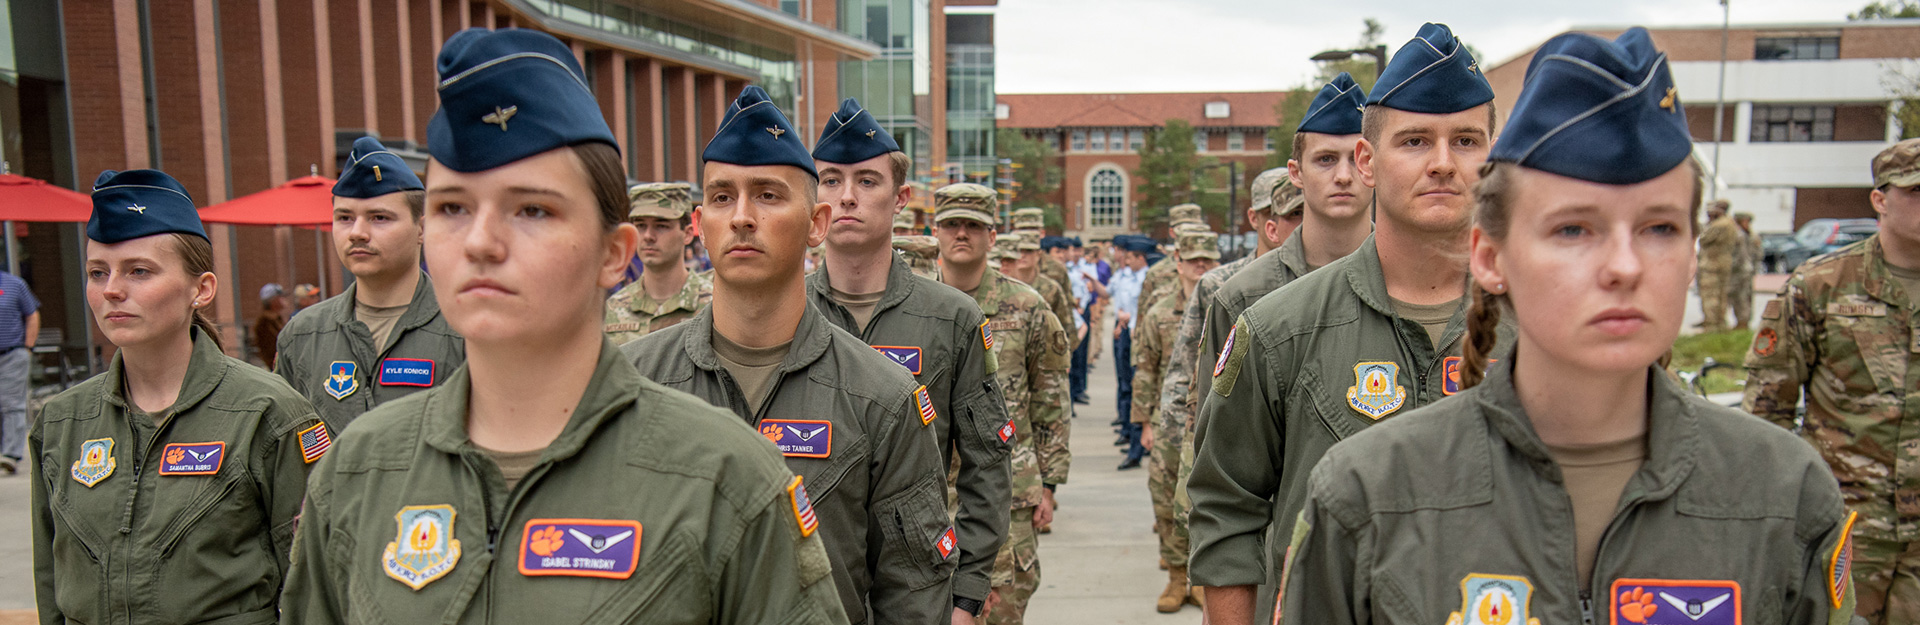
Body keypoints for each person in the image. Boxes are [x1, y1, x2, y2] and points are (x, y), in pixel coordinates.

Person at [1283, 29, 1860, 625]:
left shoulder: (1783, 496)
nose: (1624, 267)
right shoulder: (1370, 495)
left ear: (1693, 255)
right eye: (1573, 230)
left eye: (1659, 228)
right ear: (1490, 257)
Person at [279, 29, 844, 624]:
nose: (480, 242)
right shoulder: (359, 472)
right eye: (452, 208)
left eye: (532, 210)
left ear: (612, 253)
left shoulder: (722, 479)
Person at [1188, 23, 1513, 624]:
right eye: (1414, 141)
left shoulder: (1541, 332)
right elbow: (1226, 509)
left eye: (1466, 141)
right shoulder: (1280, 328)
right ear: (1368, 160)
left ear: (1494, 157)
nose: (1443, 164)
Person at [623, 85, 952, 625]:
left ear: (817, 223)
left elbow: (913, 595)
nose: (743, 217)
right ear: (701, 224)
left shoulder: (883, 399)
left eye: (769, 195)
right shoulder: (634, 385)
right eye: (724, 197)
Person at [35, 169, 327, 624]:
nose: (111, 289)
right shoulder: (60, 422)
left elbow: (316, 586)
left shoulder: (270, 415)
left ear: (201, 289)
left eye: (139, 271)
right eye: (97, 272)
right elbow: (51, 583)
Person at [806, 97, 1013, 624]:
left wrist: (967, 594)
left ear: (901, 199)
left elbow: (986, 461)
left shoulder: (951, 318)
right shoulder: (784, 313)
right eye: (830, 180)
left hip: (920, 588)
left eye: (867, 182)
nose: (847, 197)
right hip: (810, 581)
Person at [1745, 136, 1920, 624]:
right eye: (1917, 191)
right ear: (1880, 200)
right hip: (1846, 527)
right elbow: (1767, 413)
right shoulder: (1819, 285)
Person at [932, 183, 1070, 625]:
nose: (962, 234)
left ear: (993, 237)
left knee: (1005, 610)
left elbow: (1050, 399)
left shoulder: (1028, 308)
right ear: (935, 231)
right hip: (928, 492)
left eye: (974, 226)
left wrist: (1049, 482)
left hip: (1008, 493)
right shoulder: (914, 307)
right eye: (952, 224)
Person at [1199, 72, 1376, 410]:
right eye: (1325, 159)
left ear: (1374, 165)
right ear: (1296, 172)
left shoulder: (1409, 281)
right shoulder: (1243, 297)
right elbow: (1220, 446)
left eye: (1356, 159)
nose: (1342, 175)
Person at [275, 136, 466, 427]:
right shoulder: (303, 335)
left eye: (379, 218)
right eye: (345, 218)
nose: (357, 233)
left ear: (422, 229)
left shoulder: (465, 327)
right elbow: (287, 445)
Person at [1130, 229, 1219, 613]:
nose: (1200, 266)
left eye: (1207, 260)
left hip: (1214, 419)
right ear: (1178, 263)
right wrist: (1145, 423)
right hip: (1170, 421)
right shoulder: (1159, 311)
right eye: (1193, 260)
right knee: (1166, 499)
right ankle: (1175, 577)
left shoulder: (1230, 305)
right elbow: (1145, 370)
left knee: (1206, 504)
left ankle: (1199, 578)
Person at [603, 182, 714, 345]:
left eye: (661, 226)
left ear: (688, 234)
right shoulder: (612, 310)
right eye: (641, 226)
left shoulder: (715, 308)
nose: (648, 236)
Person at [1107, 235, 1153, 470]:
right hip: (1127, 334)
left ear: (1140, 258)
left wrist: (1132, 321)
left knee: (1139, 389)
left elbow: (1146, 308)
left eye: (1131, 257)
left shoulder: (1149, 279)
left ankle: (1137, 448)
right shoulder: (1126, 276)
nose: (1127, 260)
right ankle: (1131, 436)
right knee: (1126, 384)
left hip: (1141, 336)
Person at [0, 265, 38, 475]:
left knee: (12, 404)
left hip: (11, 354)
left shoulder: (14, 285)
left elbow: (31, 314)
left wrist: (27, 348)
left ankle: (10, 455)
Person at [1697, 199, 1737, 331]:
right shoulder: (1730, 223)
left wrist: (1707, 225)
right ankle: (1720, 323)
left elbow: (1703, 239)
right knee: (1721, 295)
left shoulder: (1718, 225)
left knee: (1710, 295)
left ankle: (1711, 325)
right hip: (1724, 263)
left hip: (1712, 265)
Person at [1730, 211, 1761, 328]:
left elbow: (1758, 253)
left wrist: (1753, 265)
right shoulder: (1737, 234)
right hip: (1737, 271)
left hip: (1746, 270)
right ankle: (1740, 321)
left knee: (1745, 296)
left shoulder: (1752, 236)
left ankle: (1744, 321)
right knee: (1737, 296)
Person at [254, 283, 288, 369]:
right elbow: (269, 350)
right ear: (272, 301)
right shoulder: (263, 324)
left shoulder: (278, 319)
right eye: (280, 297)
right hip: (275, 367)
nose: (284, 299)